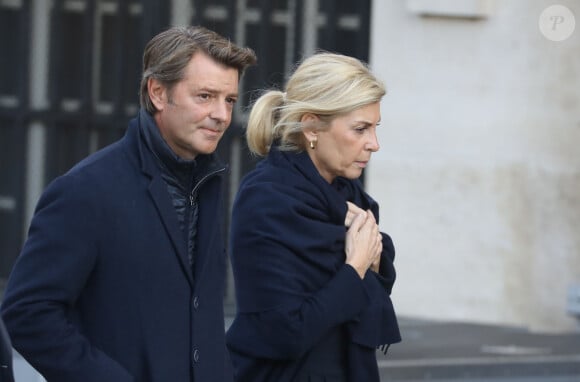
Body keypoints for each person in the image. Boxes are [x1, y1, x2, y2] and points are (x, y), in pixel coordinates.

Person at [1, 25, 256, 382]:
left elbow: (201, 317)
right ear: (157, 93)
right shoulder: (84, 190)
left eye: (229, 100)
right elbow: (27, 313)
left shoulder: (207, 183)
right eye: (205, 96)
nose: (222, 115)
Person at [226, 52, 401, 382]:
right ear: (311, 126)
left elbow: (374, 287)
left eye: (374, 128)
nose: (374, 144)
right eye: (360, 129)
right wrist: (356, 267)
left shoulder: (347, 196)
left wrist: (370, 259)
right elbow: (284, 333)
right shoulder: (267, 199)